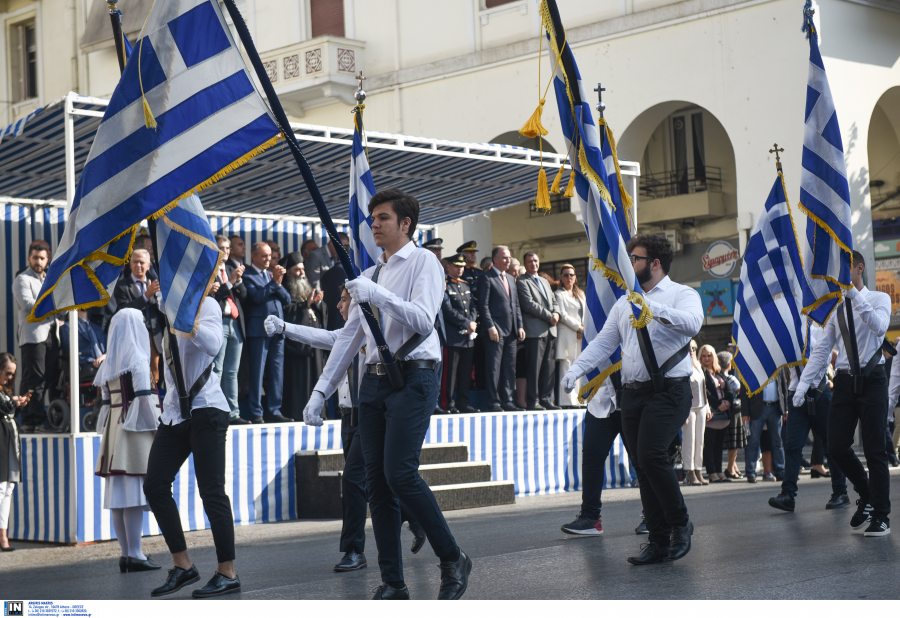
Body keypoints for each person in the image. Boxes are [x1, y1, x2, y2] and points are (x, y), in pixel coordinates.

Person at [303, 188, 471, 600]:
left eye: (382, 218)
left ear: (405, 224)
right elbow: (349, 337)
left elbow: (423, 319)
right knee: (376, 484)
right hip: (375, 380)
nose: (374, 224)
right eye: (373, 218)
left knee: (399, 472)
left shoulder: (424, 263)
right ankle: (393, 581)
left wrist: (377, 296)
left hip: (415, 375)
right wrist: (321, 390)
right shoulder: (373, 272)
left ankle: (452, 557)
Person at [562, 233, 702, 565]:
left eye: (635, 259)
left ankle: (681, 523)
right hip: (634, 395)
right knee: (642, 465)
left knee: (653, 456)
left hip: (669, 391)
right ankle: (658, 541)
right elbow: (602, 343)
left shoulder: (682, 293)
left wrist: (651, 308)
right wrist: (576, 370)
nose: (629, 264)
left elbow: (693, 324)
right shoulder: (624, 302)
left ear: (654, 263)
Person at [265, 284, 426, 573]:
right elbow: (321, 337)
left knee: (353, 480)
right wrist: (284, 328)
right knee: (377, 481)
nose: (339, 306)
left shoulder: (374, 337)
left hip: (371, 416)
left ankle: (354, 550)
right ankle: (414, 516)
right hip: (347, 418)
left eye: (344, 300)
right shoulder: (348, 335)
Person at [143, 296, 240, 598]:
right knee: (155, 485)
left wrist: (185, 315)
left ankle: (228, 572)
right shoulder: (168, 312)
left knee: (211, 491)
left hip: (207, 409)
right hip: (176, 413)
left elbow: (212, 345)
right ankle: (183, 565)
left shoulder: (206, 305)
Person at [795, 251, 892, 536]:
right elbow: (823, 350)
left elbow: (880, 326)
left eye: (844, 268)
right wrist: (803, 385)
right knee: (836, 445)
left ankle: (881, 515)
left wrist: (854, 296)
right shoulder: (835, 308)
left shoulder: (878, 299)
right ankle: (867, 495)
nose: (838, 274)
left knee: (875, 450)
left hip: (873, 379)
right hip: (845, 381)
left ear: (859, 268)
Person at [93, 309, 163, 573]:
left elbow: (104, 406)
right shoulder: (138, 360)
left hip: (115, 429)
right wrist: (159, 429)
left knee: (119, 496)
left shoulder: (109, 362)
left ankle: (127, 554)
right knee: (132, 494)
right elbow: (145, 400)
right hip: (134, 430)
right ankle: (134, 553)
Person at [769, 328, 850, 512]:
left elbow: (825, 357)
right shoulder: (786, 332)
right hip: (796, 395)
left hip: (819, 392)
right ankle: (788, 495)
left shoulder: (819, 330)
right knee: (792, 446)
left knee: (831, 446)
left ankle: (840, 492)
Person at [560, 376, 638, 535]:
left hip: (633, 398)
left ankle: (654, 517)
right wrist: (573, 373)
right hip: (600, 399)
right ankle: (590, 517)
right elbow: (592, 352)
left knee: (643, 461)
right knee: (591, 459)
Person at [243, 242, 293, 423]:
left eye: (270, 256)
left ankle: (275, 409)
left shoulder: (270, 275)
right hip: (259, 330)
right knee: (258, 372)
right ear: (254, 256)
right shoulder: (248, 275)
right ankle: (256, 412)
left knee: (277, 372)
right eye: (264, 256)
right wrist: (274, 283)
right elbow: (256, 297)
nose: (268, 260)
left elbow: (287, 299)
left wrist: (277, 283)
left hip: (278, 330)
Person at [13, 242, 57, 433]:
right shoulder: (22, 279)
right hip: (33, 336)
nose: (38, 261)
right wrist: (53, 306)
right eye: (35, 258)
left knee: (40, 378)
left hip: (49, 333)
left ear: (47, 260)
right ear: (29, 258)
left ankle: (29, 420)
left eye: (42, 258)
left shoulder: (47, 278)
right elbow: (29, 305)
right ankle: (38, 420)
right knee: (36, 379)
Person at [478, 246, 525, 413]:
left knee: (509, 367)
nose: (508, 261)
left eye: (509, 257)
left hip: (511, 330)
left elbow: (516, 305)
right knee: (494, 368)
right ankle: (494, 402)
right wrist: (490, 326)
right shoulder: (487, 278)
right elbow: (483, 306)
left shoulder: (511, 279)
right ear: (495, 259)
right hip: (495, 331)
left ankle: (508, 401)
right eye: (505, 257)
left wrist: (519, 325)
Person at [210, 236, 250, 426]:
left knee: (232, 372)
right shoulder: (209, 269)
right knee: (217, 369)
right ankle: (215, 411)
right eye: (221, 248)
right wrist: (230, 282)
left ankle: (233, 413)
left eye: (227, 248)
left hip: (235, 323)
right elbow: (214, 296)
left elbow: (245, 295)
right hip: (219, 323)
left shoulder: (228, 270)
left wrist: (237, 281)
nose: (225, 251)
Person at [281, 253, 324, 421]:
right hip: (296, 357)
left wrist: (317, 304)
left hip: (314, 353)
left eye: (303, 269)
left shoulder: (307, 293)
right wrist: (303, 307)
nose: (302, 273)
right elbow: (287, 316)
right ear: (289, 273)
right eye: (297, 270)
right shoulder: (285, 293)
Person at [517, 252, 561, 410]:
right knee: (534, 369)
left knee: (549, 368)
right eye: (529, 261)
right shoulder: (522, 281)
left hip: (550, 330)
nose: (533, 264)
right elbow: (528, 304)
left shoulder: (544, 280)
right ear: (525, 263)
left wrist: (556, 313)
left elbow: (554, 300)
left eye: (535, 260)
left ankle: (546, 399)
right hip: (535, 331)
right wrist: (550, 316)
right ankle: (533, 401)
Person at [114, 249, 164, 385]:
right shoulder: (122, 286)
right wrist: (146, 296)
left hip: (154, 337)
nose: (138, 265)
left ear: (149, 265)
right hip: (134, 338)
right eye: (135, 262)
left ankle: (157, 403)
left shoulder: (156, 284)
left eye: (142, 262)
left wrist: (158, 297)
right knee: (138, 377)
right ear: (130, 264)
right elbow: (124, 310)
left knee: (156, 377)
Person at [442, 253, 479, 414]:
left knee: (465, 374)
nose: (460, 269)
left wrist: (472, 322)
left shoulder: (465, 285)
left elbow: (473, 307)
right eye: (457, 266)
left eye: (462, 266)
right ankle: (448, 404)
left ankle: (463, 403)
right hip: (453, 336)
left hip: (467, 337)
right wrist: (466, 323)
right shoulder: (446, 284)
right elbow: (447, 310)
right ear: (449, 266)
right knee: (450, 374)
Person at [0, 353, 29, 551]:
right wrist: (15, 402)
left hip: (10, 441)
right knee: (2, 488)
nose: (10, 377)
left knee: (8, 489)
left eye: (13, 374)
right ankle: (3, 537)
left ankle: (3, 535)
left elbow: (8, 409)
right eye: (7, 373)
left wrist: (17, 404)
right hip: (2, 441)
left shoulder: (5, 390)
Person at [744, 366, 786, 483]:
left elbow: (783, 387)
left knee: (777, 442)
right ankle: (751, 472)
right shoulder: (753, 363)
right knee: (753, 441)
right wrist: (745, 412)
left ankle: (780, 471)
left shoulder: (778, 364)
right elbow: (745, 389)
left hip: (775, 408)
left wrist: (786, 408)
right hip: (758, 408)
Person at [554, 264, 586, 408]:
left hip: (580, 336)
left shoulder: (580, 294)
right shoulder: (559, 294)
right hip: (567, 335)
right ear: (561, 278)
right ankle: (567, 402)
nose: (569, 278)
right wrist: (579, 327)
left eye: (571, 275)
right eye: (566, 275)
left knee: (579, 368)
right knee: (566, 368)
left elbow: (586, 314)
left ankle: (580, 399)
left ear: (575, 277)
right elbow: (563, 315)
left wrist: (584, 328)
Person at [700, 345, 732, 483]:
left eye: (709, 355)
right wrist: (717, 403)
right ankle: (711, 472)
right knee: (710, 444)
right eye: (704, 356)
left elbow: (729, 388)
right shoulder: (700, 371)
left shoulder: (718, 372)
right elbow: (704, 391)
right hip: (711, 414)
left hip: (723, 414)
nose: (707, 358)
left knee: (719, 445)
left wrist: (728, 402)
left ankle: (719, 471)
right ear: (700, 358)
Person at [718, 351, 747, 480]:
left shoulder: (717, 376)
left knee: (731, 442)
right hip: (734, 412)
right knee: (733, 443)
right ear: (729, 364)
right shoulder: (731, 378)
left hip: (725, 412)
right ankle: (730, 468)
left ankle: (734, 467)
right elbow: (740, 391)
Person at [683, 340, 709, 486]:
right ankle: (689, 471)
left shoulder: (698, 365)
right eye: (688, 348)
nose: (691, 350)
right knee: (689, 441)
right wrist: (683, 411)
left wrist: (707, 407)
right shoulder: (682, 367)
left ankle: (698, 470)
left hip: (701, 407)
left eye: (693, 348)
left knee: (700, 441)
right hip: (689, 409)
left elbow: (703, 388)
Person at [59, 310, 107, 380]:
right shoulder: (68, 327)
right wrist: (93, 361)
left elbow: (108, 349)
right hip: (85, 366)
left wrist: (104, 356)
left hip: (104, 363)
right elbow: (69, 353)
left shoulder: (97, 328)